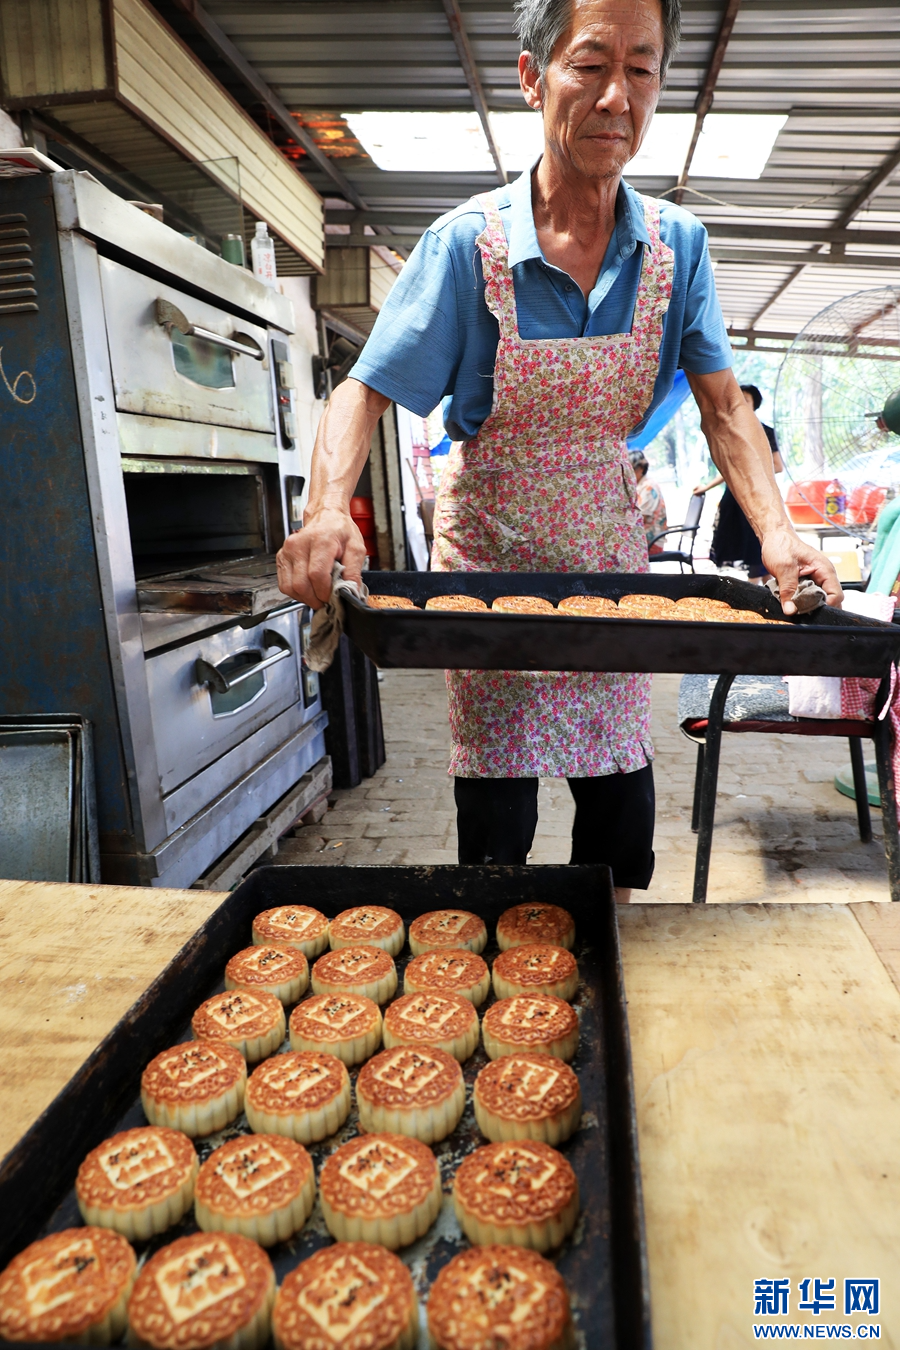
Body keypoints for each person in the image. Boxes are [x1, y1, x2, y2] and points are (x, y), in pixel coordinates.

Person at [276, 0, 841, 901]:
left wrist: (777, 534)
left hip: (605, 560)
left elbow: (725, 407)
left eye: (642, 68)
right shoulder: (469, 246)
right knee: (497, 807)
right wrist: (320, 518)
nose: (618, 94)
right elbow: (364, 388)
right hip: (487, 564)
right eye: (591, 64)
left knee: (617, 786)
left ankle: (616, 956)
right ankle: (497, 958)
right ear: (534, 76)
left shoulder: (676, 250)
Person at [693, 384, 785, 582]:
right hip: (734, 500)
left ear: (754, 405)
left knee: (760, 548)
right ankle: (765, 593)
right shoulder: (730, 433)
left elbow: (778, 466)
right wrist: (706, 487)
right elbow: (728, 469)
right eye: (739, 398)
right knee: (750, 553)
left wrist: (753, 471)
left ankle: (770, 594)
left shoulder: (765, 432)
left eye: (747, 399)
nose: (742, 403)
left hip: (759, 498)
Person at [630, 450, 667, 553]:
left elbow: (641, 519)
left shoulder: (648, 487)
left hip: (651, 542)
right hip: (644, 537)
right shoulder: (640, 486)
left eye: (631, 470)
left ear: (641, 469)